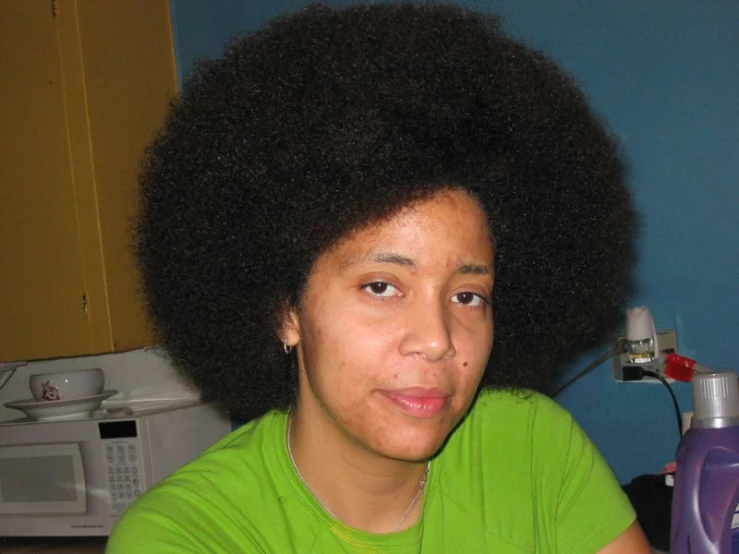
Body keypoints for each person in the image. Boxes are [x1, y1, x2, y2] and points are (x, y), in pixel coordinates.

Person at [107, 3, 651, 552]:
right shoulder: (188, 537)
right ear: (285, 311)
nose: (438, 339)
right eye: (382, 286)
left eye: (467, 295)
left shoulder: (533, 446)